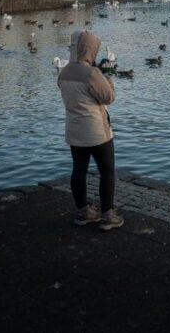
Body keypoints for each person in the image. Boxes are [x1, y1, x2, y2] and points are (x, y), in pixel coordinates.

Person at [58, 30, 123, 231]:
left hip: (74, 130)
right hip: (96, 131)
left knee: (79, 170)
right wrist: (107, 76)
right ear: (89, 49)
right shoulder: (92, 74)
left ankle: (83, 212)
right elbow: (108, 97)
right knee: (107, 171)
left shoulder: (64, 72)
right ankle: (108, 215)